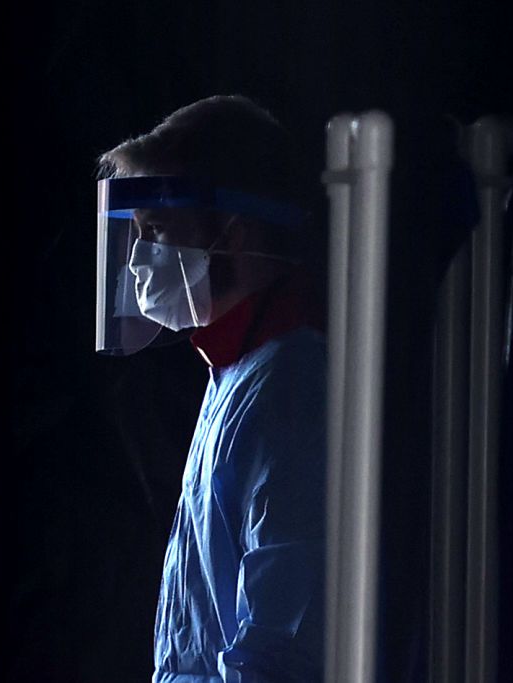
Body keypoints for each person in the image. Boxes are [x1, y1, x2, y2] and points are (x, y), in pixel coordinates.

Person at [97, 95, 327, 682]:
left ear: (233, 233)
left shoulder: (292, 390)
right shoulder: (235, 372)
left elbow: (281, 651)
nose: (138, 264)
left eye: (157, 232)